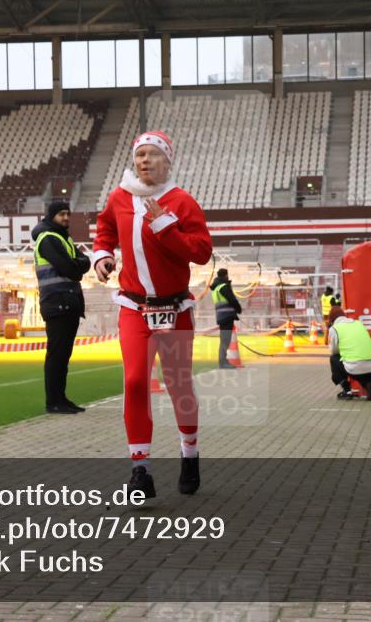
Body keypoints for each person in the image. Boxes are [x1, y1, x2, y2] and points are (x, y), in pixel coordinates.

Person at [92, 130, 212, 498]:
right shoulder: (120, 196)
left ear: (167, 161)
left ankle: (189, 453)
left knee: (179, 387)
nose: (144, 160)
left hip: (174, 309)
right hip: (134, 307)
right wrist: (103, 255)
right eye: (139, 154)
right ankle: (140, 470)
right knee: (134, 383)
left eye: (151, 154)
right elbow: (105, 229)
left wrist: (164, 226)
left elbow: (201, 252)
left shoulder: (182, 201)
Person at [32, 201, 91, 415]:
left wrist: (77, 265)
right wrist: (77, 266)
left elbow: (85, 262)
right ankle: (53, 402)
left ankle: (61, 399)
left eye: (67, 213)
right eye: (61, 214)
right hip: (57, 302)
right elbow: (72, 269)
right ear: (51, 216)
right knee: (56, 355)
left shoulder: (63, 238)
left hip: (68, 302)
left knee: (63, 356)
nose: (66, 217)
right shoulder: (47, 239)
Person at [328, 312, 371, 401]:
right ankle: (369, 382)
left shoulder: (334, 328)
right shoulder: (359, 323)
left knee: (334, 358)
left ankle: (347, 390)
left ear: (332, 320)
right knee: (360, 367)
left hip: (356, 369)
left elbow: (334, 351)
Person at [210, 268, 243, 369]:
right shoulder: (223, 286)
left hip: (221, 315)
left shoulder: (215, 287)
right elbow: (232, 299)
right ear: (226, 275)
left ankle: (223, 361)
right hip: (227, 316)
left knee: (224, 340)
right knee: (225, 340)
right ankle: (223, 362)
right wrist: (238, 309)